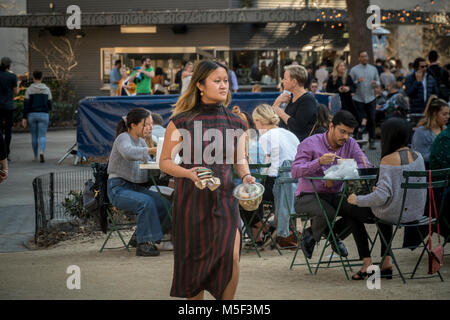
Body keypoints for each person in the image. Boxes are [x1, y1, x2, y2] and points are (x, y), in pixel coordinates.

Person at [159, 60, 255, 300]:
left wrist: (246, 175)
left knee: (231, 257)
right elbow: (166, 162)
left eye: (225, 81)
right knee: (194, 265)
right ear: (200, 85)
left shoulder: (238, 121)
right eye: (217, 81)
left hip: (226, 199)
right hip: (191, 201)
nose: (224, 86)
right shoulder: (181, 121)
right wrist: (189, 173)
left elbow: (240, 159)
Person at [345, 117, 426, 280]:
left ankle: (367, 264)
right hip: (416, 214)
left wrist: (357, 199)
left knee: (352, 212)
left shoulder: (388, 160)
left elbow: (381, 197)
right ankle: (386, 262)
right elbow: (400, 190)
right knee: (383, 210)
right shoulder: (418, 156)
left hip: (395, 213)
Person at [291, 110, 371, 260]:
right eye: (342, 132)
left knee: (357, 211)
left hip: (335, 195)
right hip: (306, 197)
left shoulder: (351, 144)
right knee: (329, 213)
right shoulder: (310, 143)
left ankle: (318, 234)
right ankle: (329, 237)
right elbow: (295, 171)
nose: (345, 137)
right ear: (331, 126)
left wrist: (339, 173)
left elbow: (365, 165)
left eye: (349, 133)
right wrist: (319, 162)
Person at [107, 108, 171, 257]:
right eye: (146, 124)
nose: (150, 128)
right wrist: (153, 150)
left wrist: (165, 166)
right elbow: (128, 153)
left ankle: (142, 237)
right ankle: (144, 244)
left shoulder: (142, 141)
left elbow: (148, 168)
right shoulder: (123, 138)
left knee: (165, 204)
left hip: (136, 188)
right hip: (118, 188)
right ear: (133, 125)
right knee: (146, 202)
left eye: (151, 124)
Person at [252, 104, 300, 246]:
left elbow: (262, 169)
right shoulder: (290, 135)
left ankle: (263, 229)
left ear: (259, 121)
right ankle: (271, 228)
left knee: (245, 194)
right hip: (297, 186)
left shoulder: (265, 138)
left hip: (278, 186)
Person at [272, 64, 317, 142]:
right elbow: (271, 119)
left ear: (294, 82)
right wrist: (277, 102)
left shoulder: (307, 100)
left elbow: (297, 127)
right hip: (286, 143)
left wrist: (280, 112)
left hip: (300, 147)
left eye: (285, 79)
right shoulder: (290, 98)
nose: (282, 81)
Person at [349, 50, 381, 149]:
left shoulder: (373, 69)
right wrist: (356, 81)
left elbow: (378, 81)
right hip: (358, 99)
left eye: (366, 56)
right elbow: (350, 84)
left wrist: (376, 84)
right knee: (360, 120)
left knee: (371, 119)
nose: (365, 58)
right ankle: (359, 142)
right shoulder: (354, 70)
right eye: (362, 56)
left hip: (371, 98)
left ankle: (372, 140)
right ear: (359, 58)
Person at [21, 71, 52, 163]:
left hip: (32, 115)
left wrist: (24, 117)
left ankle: (35, 156)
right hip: (43, 114)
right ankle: (41, 152)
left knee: (34, 136)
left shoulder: (29, 89)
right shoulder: (46, 89)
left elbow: (26, 104)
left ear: (33, 78)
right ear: (41, 78)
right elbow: (50, 103)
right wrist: (48, 110)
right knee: (42, 135)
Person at [411, 96, 449, 166]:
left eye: (448, 114)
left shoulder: (446, 129)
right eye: (444, 114)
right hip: (428, 172)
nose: (448, 116)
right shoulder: (421, 132)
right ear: (434, 114)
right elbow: (419, 157)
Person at [0, 57, 21, 161]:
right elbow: (16, 92)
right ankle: (6, 153)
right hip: (9, 106)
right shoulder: (12, 76)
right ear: (9, 65)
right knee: (8, 130)